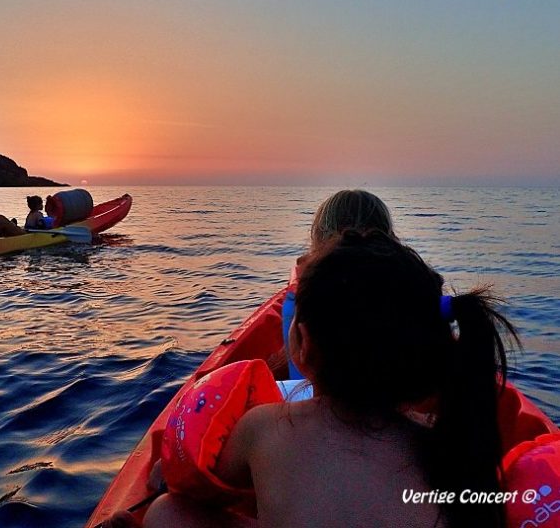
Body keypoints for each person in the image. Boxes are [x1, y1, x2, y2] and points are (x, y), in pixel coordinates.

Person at [144, 230, 518, 528]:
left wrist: (165, 472)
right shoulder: (451, 445)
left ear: (303, 345)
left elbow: (202, 488)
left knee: (167, 511)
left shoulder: (264, 429)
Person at [269, 189, 396, 379]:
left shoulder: (303, 298)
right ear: (387, 235)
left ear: (319, 237)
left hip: (318, 397)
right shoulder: (408, 288)